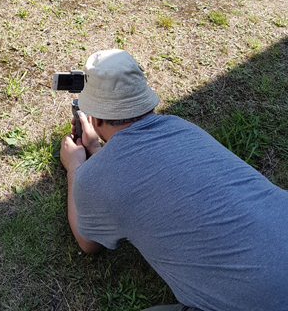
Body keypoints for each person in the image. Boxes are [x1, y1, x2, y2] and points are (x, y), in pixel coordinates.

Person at [59, 48, 288, 311]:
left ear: (96, 118)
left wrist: (75, 167)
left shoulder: (93, 180)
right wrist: (96, 149)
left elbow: (88, 242)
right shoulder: (182, 128)